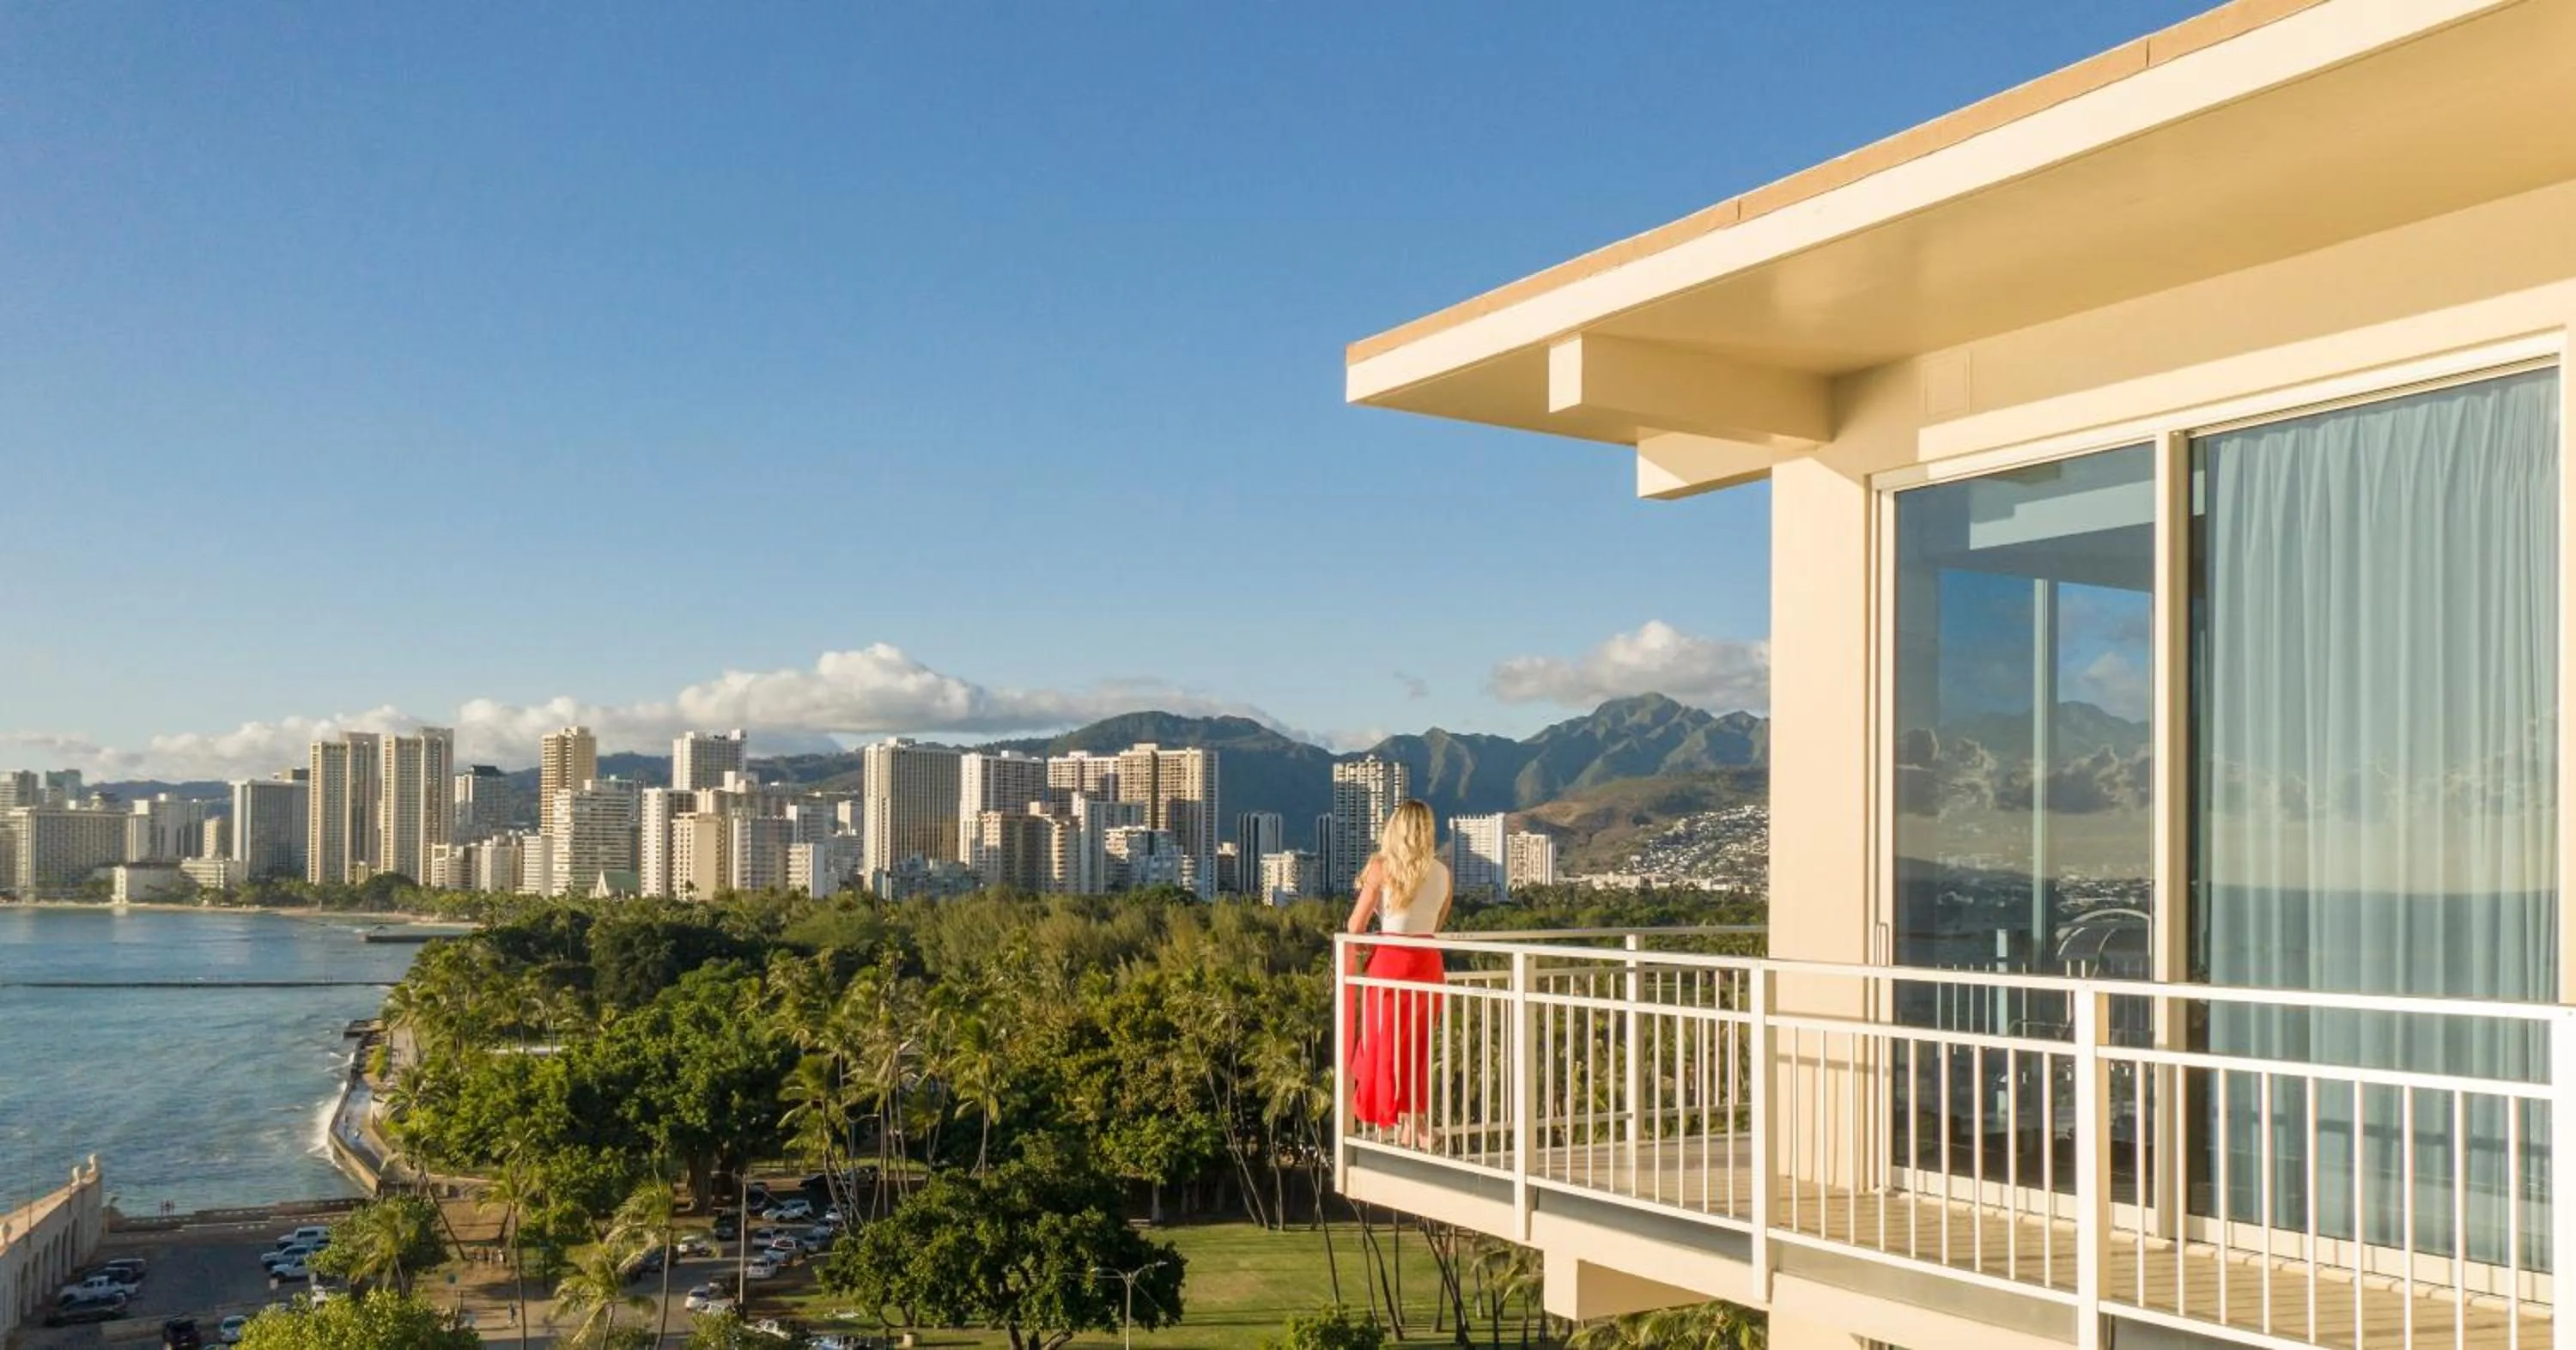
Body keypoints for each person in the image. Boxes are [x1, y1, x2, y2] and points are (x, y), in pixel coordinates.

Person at [1345, 799, 1453, 1149]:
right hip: (1427, 962)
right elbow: (1435, 923)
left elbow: (1355, 926)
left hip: (1390, 963)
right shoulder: (1442, 872)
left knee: (1386, 1044)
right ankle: (1412, 1123)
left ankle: (1411, 1122)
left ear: (1395, 829)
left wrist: (1367, 944)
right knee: (1415, 1047)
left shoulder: (1380, 868)